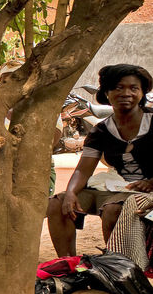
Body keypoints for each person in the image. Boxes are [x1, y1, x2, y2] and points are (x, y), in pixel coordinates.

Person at [47, 64, 153, 257]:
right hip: (118, 186)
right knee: (58, 204)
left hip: (147, 191)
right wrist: (70, 192)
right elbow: (83, 170)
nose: (126, 93)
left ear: (142, 92)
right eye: (118, 88)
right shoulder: (101, 131)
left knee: (113, 210)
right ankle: (69, 264)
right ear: (107, 93)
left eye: (133, 88)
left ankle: (120, 266)